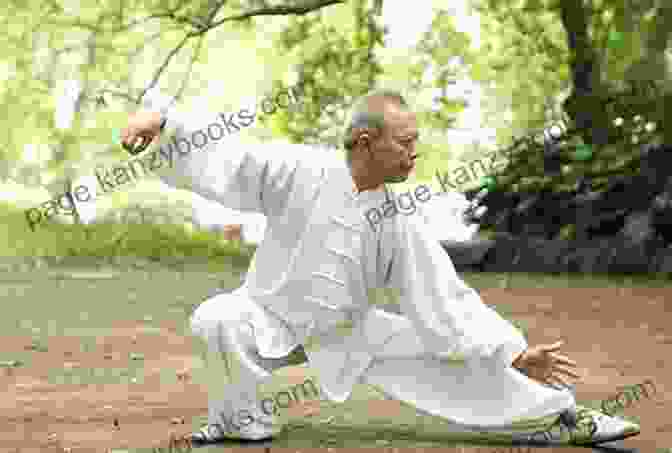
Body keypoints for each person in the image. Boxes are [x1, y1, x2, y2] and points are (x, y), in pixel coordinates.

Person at [120, 90, 639, 447]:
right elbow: (228, 165)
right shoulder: (298, 170)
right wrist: (166, 123)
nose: (415, 152)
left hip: (353, 333)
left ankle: (562, 416)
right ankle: (241, 421)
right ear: (367, 142)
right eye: (406, 143)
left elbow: (443, 298)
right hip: (269, 316)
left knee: (450, 360)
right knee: (217, 318)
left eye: (415, 142)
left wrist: (513, 350)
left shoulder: (399, 216)